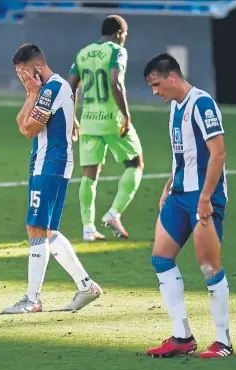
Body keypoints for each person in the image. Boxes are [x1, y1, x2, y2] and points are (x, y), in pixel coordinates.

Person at [143, 53, 233, 358]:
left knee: (208, 267)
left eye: (156, 84)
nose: (155, 92)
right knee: (161, 259)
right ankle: (182, 337)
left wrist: (206, 197)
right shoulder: (174, 108)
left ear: (171, 77)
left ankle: (223, 341)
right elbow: (183, 155)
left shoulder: (202, 103)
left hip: (203, 197)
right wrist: (169, 184)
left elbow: (218, 153)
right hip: (179, 195)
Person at [2, 43, 102, 314]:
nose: (21, 79)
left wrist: (34, 93)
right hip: (48, 163)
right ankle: (86, 286)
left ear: (36, 67)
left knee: (35, 227)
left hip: (50, 163)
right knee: (46, 231)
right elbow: (21, 121)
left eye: (23, 73)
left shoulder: (53, 88)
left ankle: (32, 299)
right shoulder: (45, 90)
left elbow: (29, 129)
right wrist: (30, 93)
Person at [68, 15, 144, 242]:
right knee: (135, 163)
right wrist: (126, 115)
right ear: (120, 33)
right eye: (125, 36)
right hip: (112, 119)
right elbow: (115, 82)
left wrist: (72, 118)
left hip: (89, 120)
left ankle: (88, 228)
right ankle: (114, 213)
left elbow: (71, 88)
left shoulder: (82, 53)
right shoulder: (116, 51)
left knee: (89, 174)